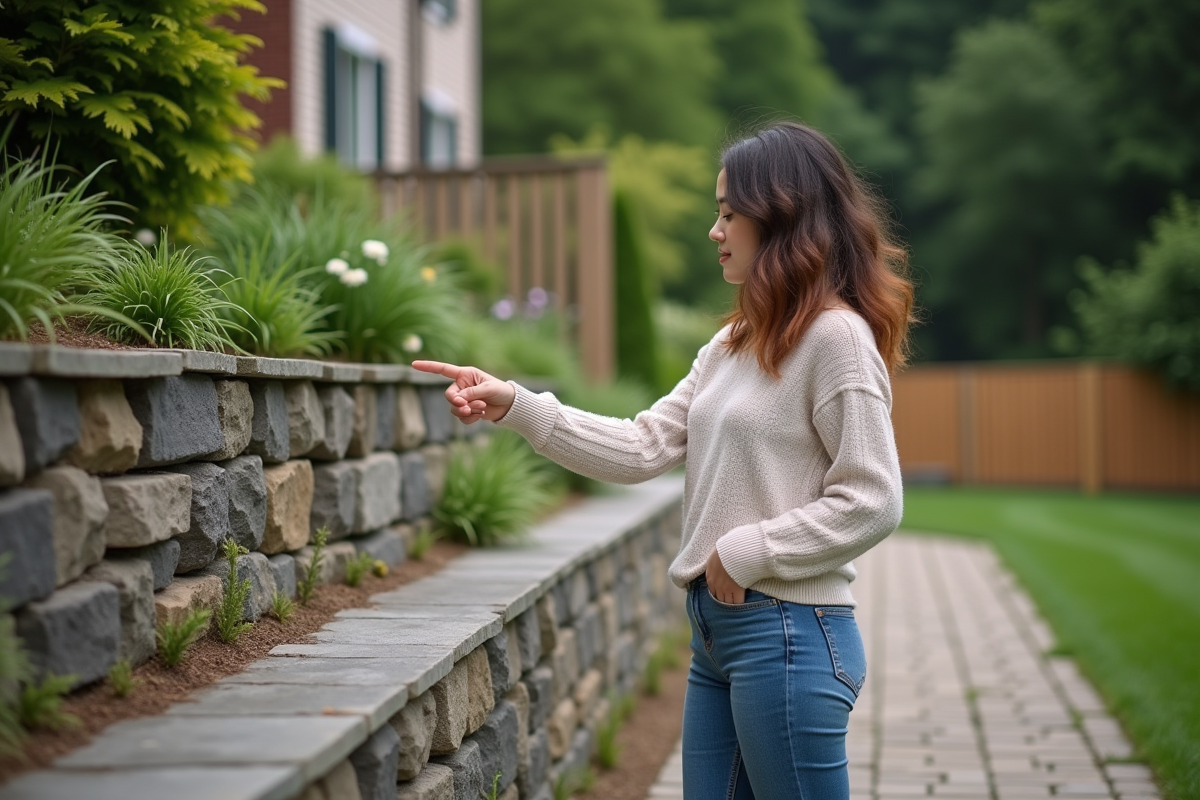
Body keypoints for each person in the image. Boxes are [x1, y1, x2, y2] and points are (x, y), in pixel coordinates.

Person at [414, 121, 914, 800]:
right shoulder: (734, 344)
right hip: (716, 636)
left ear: (781, 218)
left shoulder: (836, 340)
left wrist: (748, 549)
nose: (715, 230)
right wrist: (516, 405)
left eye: (729, 214)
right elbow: (643, 445)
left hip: (790, 637)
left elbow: (873, 499)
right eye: (718, 213)